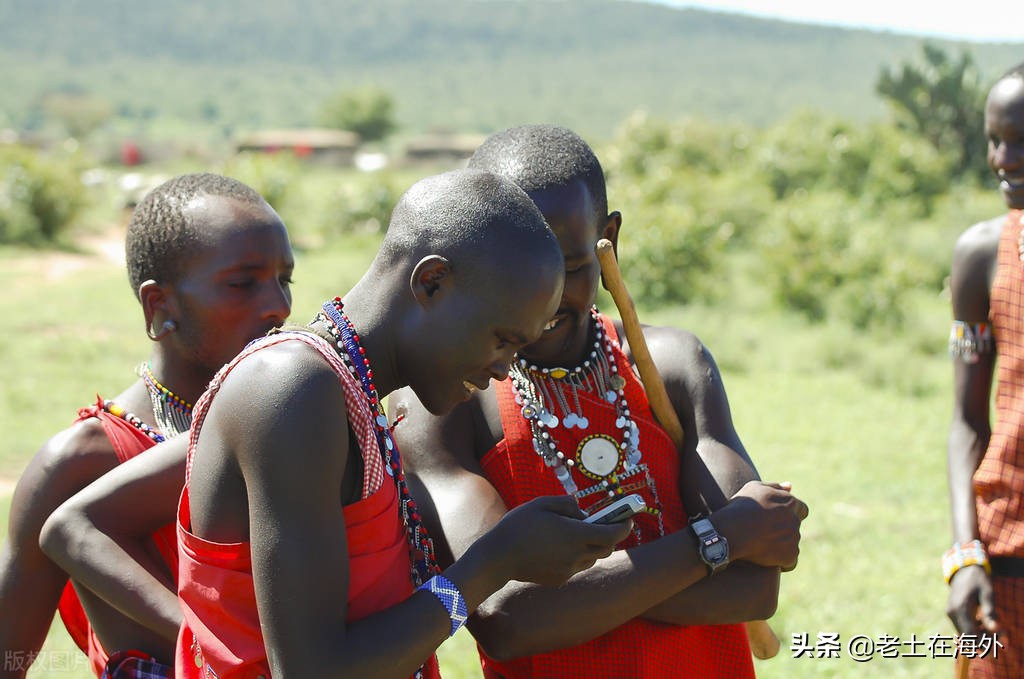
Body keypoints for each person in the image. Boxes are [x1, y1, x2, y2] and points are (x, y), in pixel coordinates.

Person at [41, 168, 632, 679]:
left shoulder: (346, 392)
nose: (504, 369)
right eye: (502, 339)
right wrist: (491, 565)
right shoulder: (292, 389)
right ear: (430, 282)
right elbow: (314, 670)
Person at [389, 125, 809, 678]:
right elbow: (505, 619)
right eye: (517, 272)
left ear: (606, 237)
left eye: (568, 266)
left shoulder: (672, 365)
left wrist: (573, 596)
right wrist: (720, 539)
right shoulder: (446, 403)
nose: (546, 297)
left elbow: (753, 587)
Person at [0, 173, 295, 678]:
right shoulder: (86, 463)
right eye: (243, 284)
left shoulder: (294, 425)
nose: (279, 307)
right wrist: (211, 644)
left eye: (284, 280)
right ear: (160, 306)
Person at [946, 61, 1024, 678]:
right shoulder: (982, 256)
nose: (1003, 158)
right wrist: (966, 554)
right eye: (996, 139)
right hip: (1008, 559)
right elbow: (967, 422)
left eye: (1022, 141)